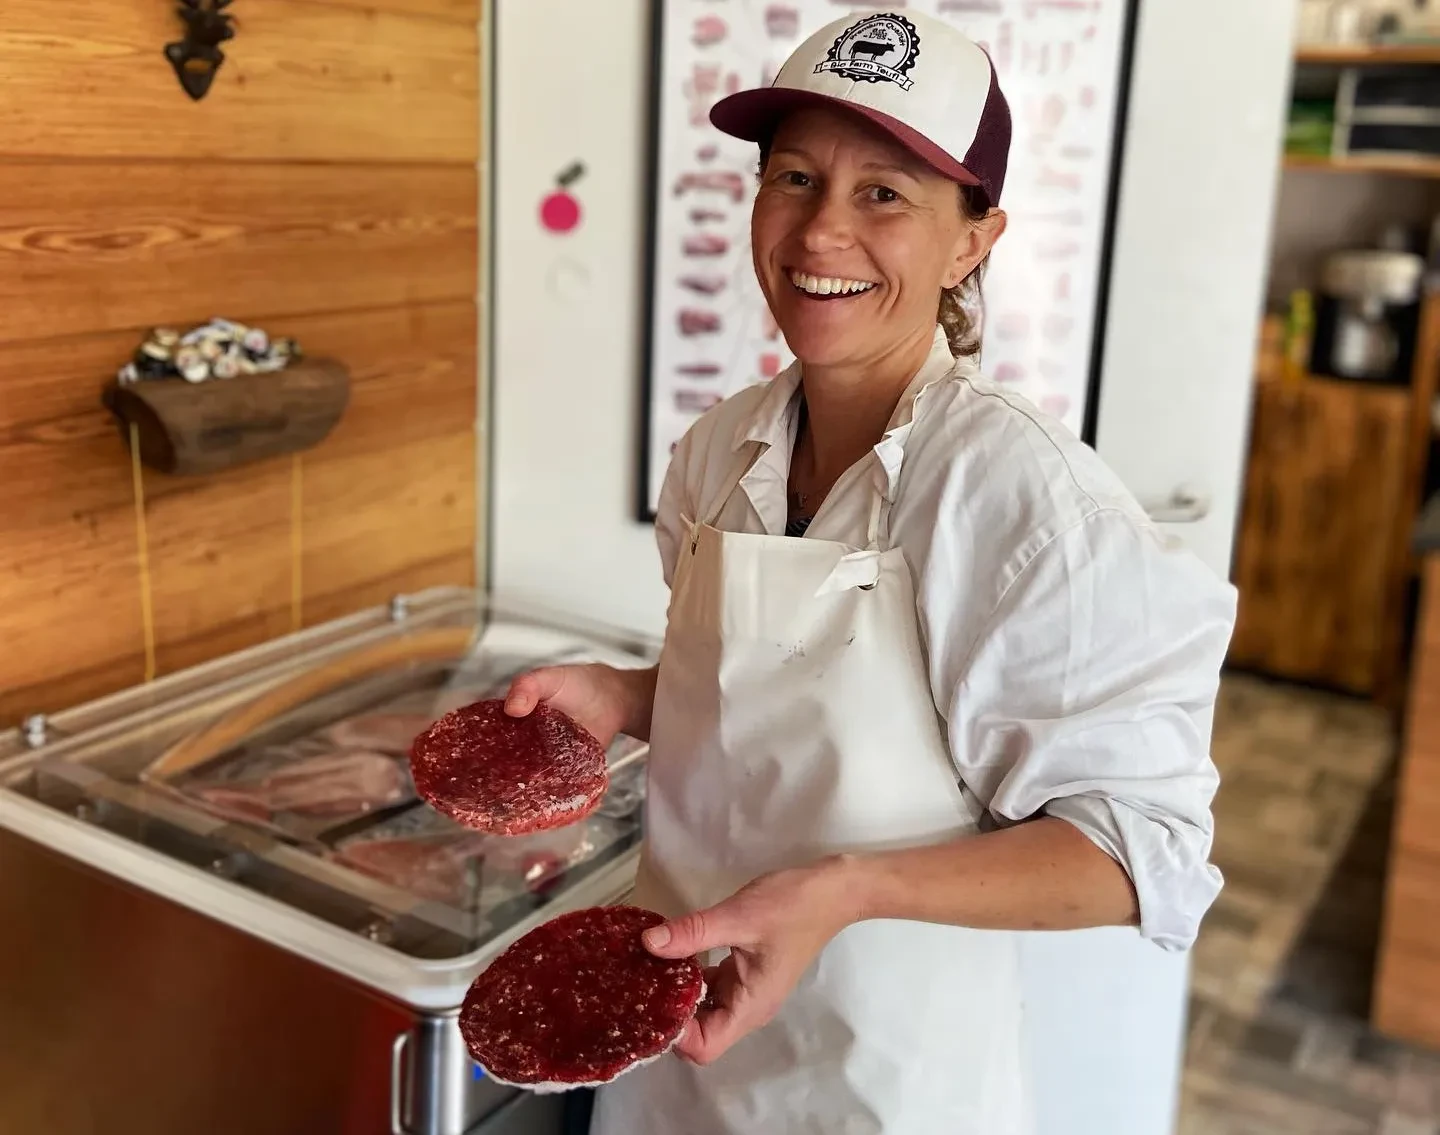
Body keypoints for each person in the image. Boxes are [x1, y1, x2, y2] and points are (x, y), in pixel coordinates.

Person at [506, 10, 1234, 1134]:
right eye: (793, 176)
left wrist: (850, 891)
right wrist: (626, 693)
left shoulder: (1025, 500)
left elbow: (1139, 854)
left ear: (971, 243)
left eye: (885, 193)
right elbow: (780, 703)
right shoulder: (716, 449)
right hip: (677, 1056)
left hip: (883, 1083)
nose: (819, 232)